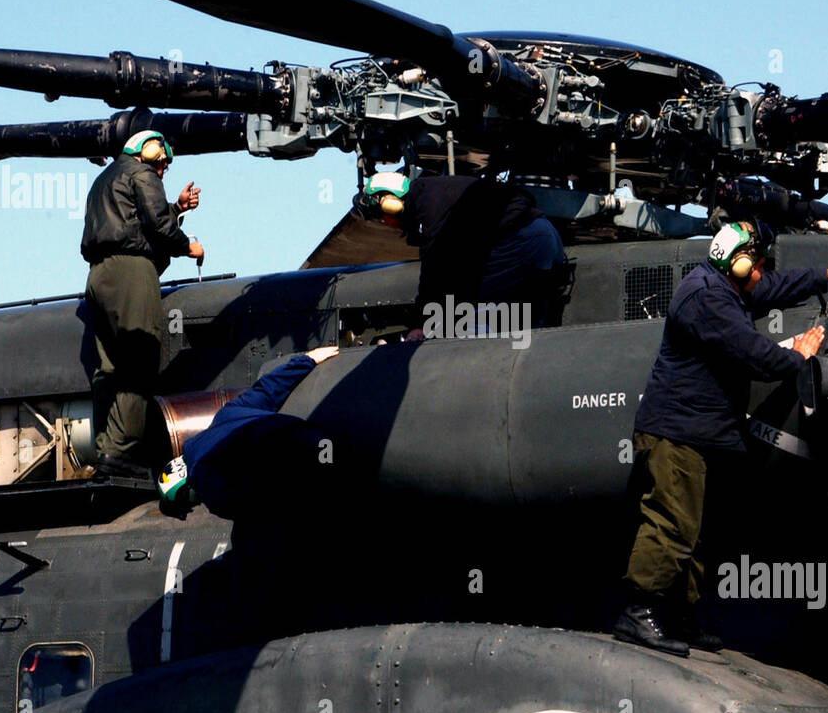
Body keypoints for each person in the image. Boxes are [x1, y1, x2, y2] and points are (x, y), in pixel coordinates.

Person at [612, 218, 828, 656]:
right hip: (678, 433)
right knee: (673, 526)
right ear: (741, 263)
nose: (761, 275)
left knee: (701, 533)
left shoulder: (724, 282)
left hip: (705, 433)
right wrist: (800, 357)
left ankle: (679, 616)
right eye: (758, 266)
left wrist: (824, 275)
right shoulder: (706, 298)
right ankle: (638, 614)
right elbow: (754, 354)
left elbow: (769, 289)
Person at [81, 129, 204, 478]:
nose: (162, 172)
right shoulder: (142, 173)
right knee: (139, 362)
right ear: (149, 152)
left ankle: (106, 449)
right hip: (131, 273)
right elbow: (158, 227)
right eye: (162, 164)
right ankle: (125, 453)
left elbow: (133, 221)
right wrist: (188, 246)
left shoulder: (104, 180)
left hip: (98, 276)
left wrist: (179, 207)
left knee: (107, 368)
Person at [356, 172, 570, 336]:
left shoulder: (429, 206)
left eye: (381, 216)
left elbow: (434, 271)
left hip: (522, 244)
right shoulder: (434, 193)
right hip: (544, 238)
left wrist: (420, 324)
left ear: (391, 204)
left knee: (463, 301)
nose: (384, 222)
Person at [160, 346, 340, 519]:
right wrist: (308, 359)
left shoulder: (206, 484)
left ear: (184, 491)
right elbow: (267, 389)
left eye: (189, 504)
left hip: (314, 461)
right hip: (311, 434)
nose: (196, 505)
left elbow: (254, 510)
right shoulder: (224, 415)